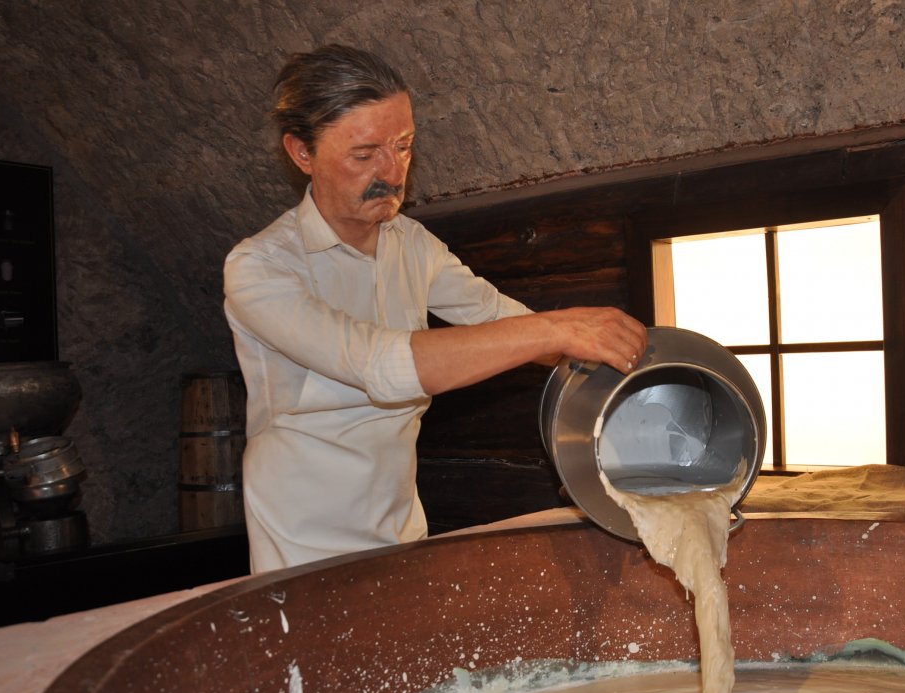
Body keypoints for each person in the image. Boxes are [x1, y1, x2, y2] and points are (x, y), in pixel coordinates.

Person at [224, 44, 647, 572]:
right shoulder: (260, 268)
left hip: (403, 532)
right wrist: (559, 330)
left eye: (404, 146)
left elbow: (500, 320)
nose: (392, 171)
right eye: (365, 153)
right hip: (302, 548)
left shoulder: (412, 245)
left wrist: (631, 384)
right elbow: (378, 366)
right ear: (301, 153)